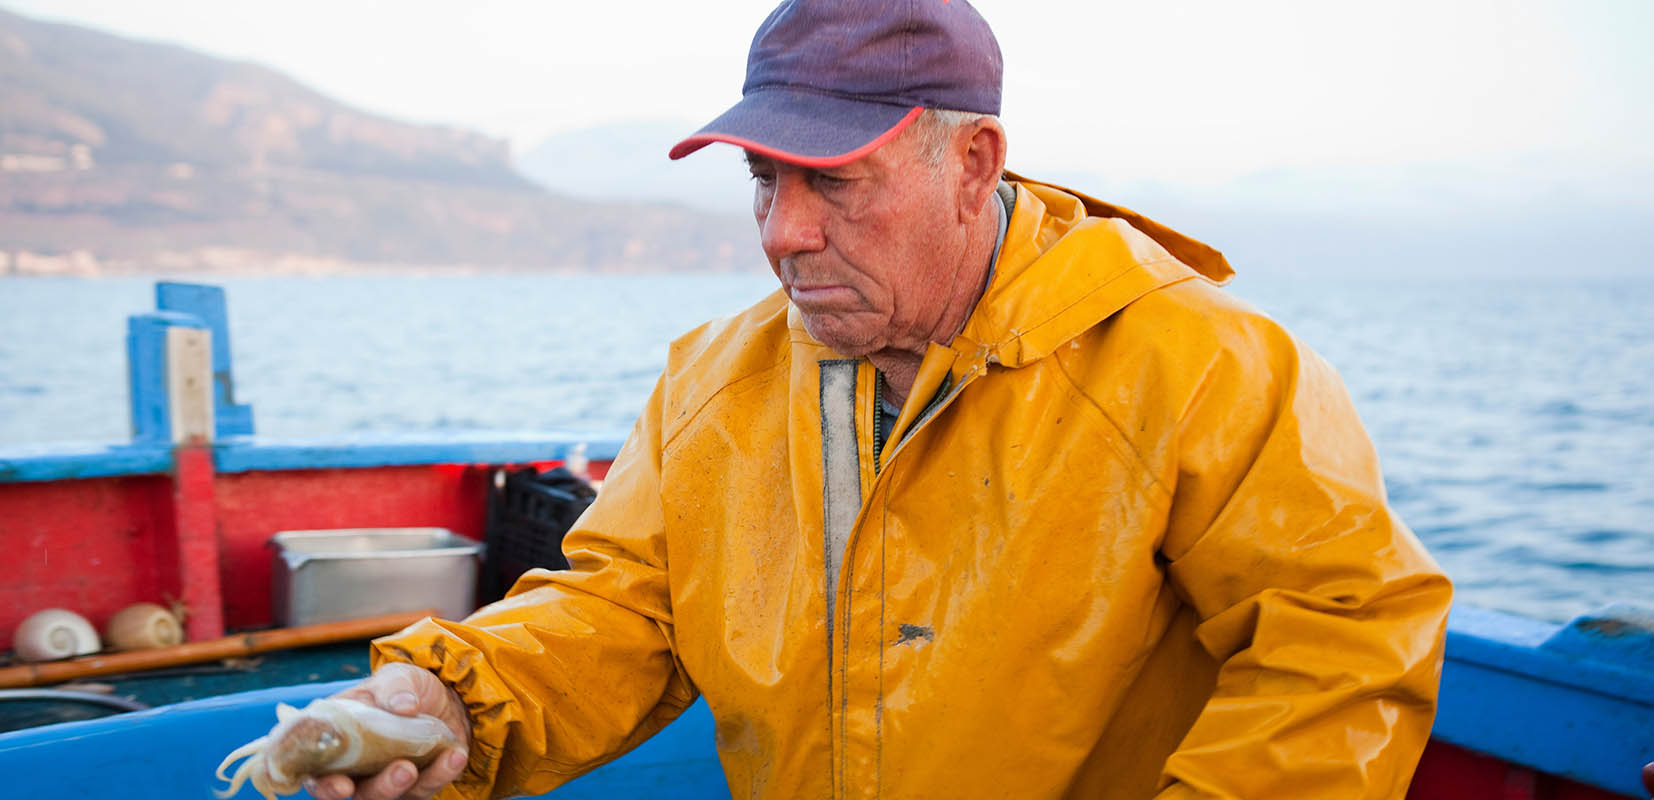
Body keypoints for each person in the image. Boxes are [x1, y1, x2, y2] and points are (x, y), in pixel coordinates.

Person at [307, 2, 1452, 798]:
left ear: (973, 163)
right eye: (765, 180)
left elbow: (1339, 646)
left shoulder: (1198, 363)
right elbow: (629, 609)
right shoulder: (714, 377)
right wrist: (460, 697)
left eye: (837, 183)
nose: (783, 233)